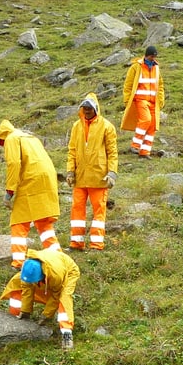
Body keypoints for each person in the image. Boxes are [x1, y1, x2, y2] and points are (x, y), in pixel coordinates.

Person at [0, 119, 61, 269]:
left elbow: (14, 163)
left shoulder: (11, 138)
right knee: (43, 220)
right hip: (47, 179)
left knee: (19, 221)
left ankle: (18, 262)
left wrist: (9, 191)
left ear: (2, 137)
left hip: (30, 180)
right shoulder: (30, 137)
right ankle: (56, 256)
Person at [66, 92, 119, 251]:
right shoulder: (77, 126)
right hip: (80, 178)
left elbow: (113, 152)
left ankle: (96, 244)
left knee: (99, 211)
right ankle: (76, 243)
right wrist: (70, 172)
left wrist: (112, 173)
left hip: (99, 177)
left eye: (90, 108)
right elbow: (72, 151)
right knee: (77, 210)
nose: (87, 111)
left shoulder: (107, 126)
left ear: (96, 108)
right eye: (85, 108)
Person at [0, 248, 80, 350]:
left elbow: (56, 295)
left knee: (64, 298)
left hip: (68, 270)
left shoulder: (56, 275)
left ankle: (66, 333)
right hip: (49, 265)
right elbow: (27, 288)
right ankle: (15, 318)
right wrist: (25, 310)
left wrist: (46, 315)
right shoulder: (27, 268)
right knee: (16, 283)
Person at [121, 45, 165, 159]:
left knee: (152, 125)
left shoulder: (156, 68)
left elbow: (160, 85)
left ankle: (144, 152)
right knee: (146, 120)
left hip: (153, 102)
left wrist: (160, 100)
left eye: (154, 57)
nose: (153, 59)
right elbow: (128, 85)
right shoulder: (136, 67)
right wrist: (127, 100)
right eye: (151, 56)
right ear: (147, 55)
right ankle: (135, 145)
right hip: (141, 100)